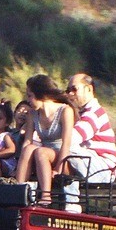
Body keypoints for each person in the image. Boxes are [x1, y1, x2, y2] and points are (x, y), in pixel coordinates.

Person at [61, 72, 116, 211]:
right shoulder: (81, 114)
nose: (70, 94)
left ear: (89, 89)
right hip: (90, 163)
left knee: (66, 147)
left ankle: (72, 202)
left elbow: (73, 138)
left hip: (103, 169)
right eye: (68, 90)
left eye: (74, 89)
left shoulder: (94, 113)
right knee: (61, 149)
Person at [14, 74, 74, 203]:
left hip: (63, 157)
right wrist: (20, 163)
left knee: (41, 152)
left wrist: (58, 169)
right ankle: (18, 190)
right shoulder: (32, 114)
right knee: (29, 148)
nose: (28, 100)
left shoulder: (65, 111)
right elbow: (27, 141)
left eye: (30, 96)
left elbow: (66, 144)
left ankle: (46, 197)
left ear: (41, 95)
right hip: (43, 153)